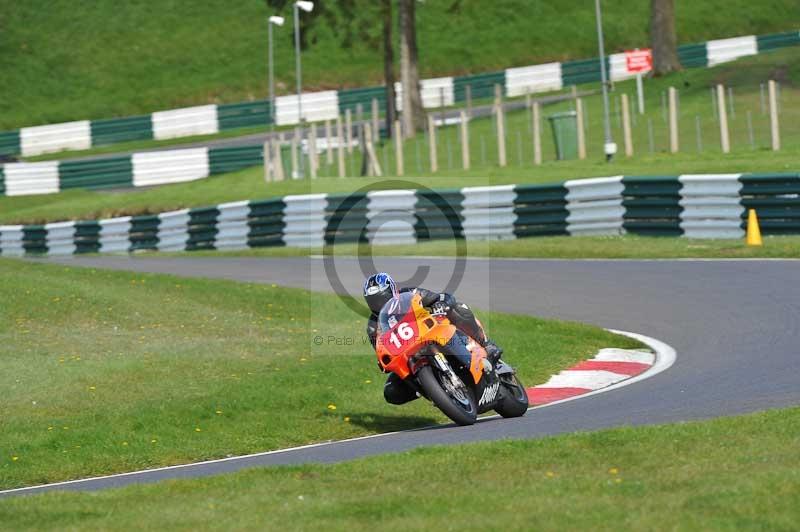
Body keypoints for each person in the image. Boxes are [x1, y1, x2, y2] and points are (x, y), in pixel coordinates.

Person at [363, 272, 503, 405]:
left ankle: (486, 344)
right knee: (391, 391)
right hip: (408, 354)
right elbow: (381, 350)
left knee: (458, 308)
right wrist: (383, 362)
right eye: (373, 301)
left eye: (381, 298)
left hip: (432, 331)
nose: (378, 304)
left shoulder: (409, 294)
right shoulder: (373, 327)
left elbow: (441, 297)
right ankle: (433, 391)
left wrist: (440, 304)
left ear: (392, 291)